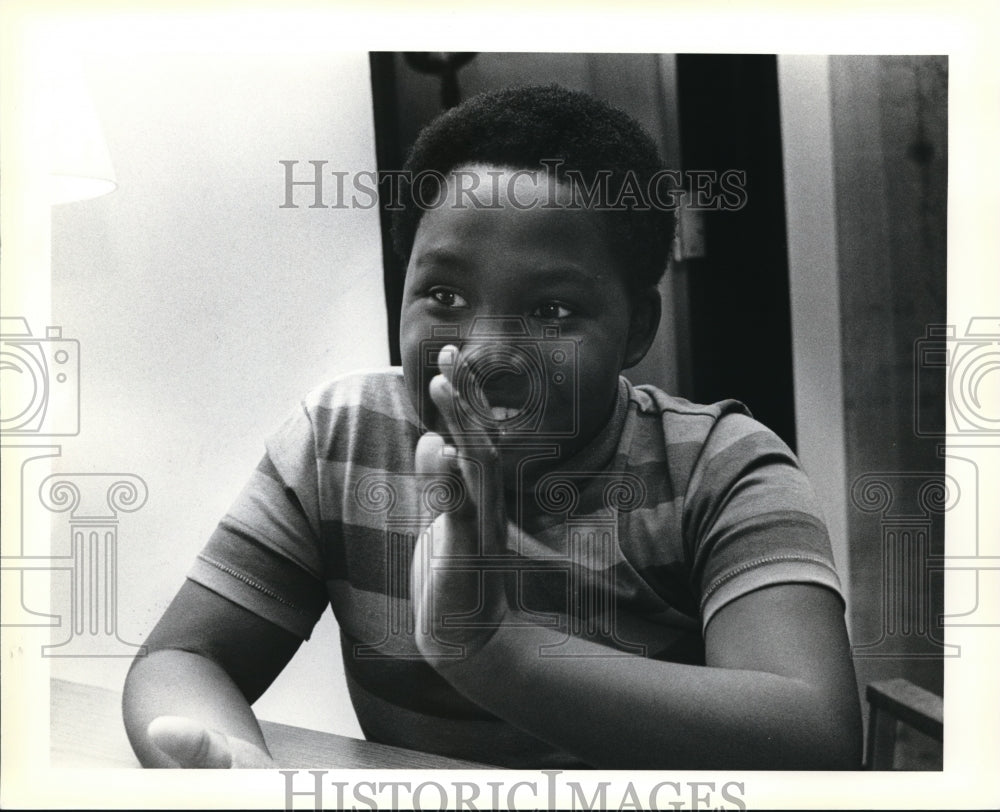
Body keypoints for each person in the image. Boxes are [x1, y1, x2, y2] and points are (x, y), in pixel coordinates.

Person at [122, 85, 862, 769]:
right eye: (442, 294)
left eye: (551, 311)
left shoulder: (720, 469)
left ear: (636, 328)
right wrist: (230, 768)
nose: (485, 355)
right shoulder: (343, 438)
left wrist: (494, 653)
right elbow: (186, 657)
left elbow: (817, 736)